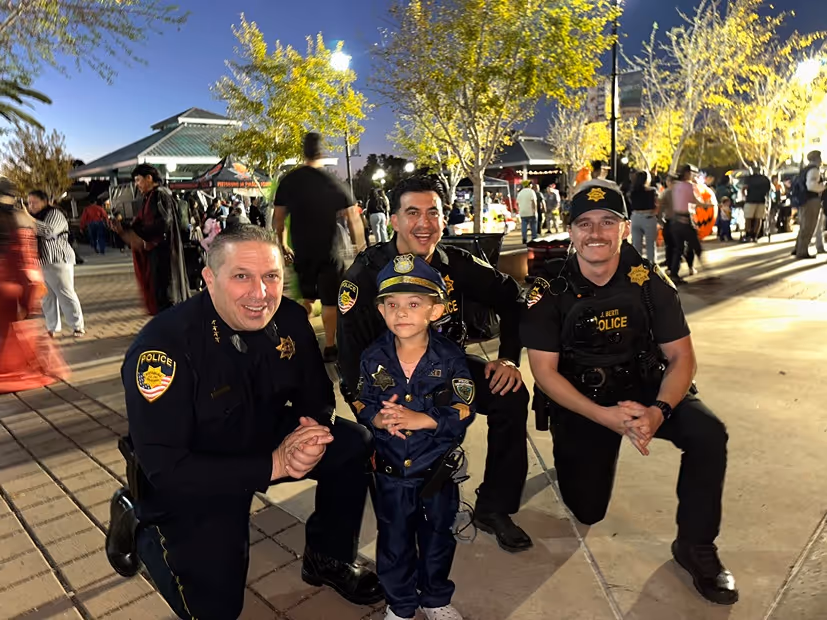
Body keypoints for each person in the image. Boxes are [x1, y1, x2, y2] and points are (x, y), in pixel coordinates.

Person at [104, 225, 382, 619]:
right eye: (241, 277)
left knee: (352, 444)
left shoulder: (288, 318)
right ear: (209, 279)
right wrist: (273, 465)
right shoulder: (163, 348)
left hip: (263, 433)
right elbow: (167, 467)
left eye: (271, 276)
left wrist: (309, 434)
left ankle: (327, 558)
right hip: (195, 468)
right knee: (217, 609)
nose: (260, 293)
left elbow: (316, 395)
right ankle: (139, 520)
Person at [522, 179, 738, 606]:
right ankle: (595, 452)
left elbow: (682, 358)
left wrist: (658, 411)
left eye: (607, 221)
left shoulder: (648, 281)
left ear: (625, 228)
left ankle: (696, 546)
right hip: (582, 402)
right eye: (584, 223)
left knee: (709, 433)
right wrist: (604, 418)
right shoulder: (549, 288)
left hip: (643, 389)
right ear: (571, 231)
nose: (595, 233)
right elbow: (545, 374)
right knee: (588, 511)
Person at [338, 175, 532, 553]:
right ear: (393, 220)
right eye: (412, 213)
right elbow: (350, 356)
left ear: (445, 218)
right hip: (388, 382)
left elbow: (512, 298)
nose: (424, 224)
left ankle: (494, 507)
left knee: (510, 394)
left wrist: (508, 357)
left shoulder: (456, 263)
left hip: (447, 372)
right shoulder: (365, 275)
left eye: (433, 213)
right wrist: (370, 409)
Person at [355, 254, 475, 620]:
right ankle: (401, 603)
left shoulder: (451, 357)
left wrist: (422, 420)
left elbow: (463, 409)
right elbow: (362, 399)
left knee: (439, 538)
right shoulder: (373, 356)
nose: (401, 312)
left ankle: (436, 597)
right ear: (381, 311)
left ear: (435, 311)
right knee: (394, 544)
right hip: (391, 473)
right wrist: (378, 418)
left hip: (436, 472)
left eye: (413, 303)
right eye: (392, 304)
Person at [273, 132, 366, 362]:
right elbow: (353, 218)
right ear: (321, 152)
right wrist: (360, 249)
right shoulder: (331, 181)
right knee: (329, 301)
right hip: (329, 251)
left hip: (302, 251)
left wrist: (282, 244)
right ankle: (330, 346)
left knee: (306, 299)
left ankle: (302, 342)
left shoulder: (289, 180)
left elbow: (278, 219)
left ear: (303, 152)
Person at [0, 178, 68, 392]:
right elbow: (26, 263)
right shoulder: (19, 220)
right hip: (12, 285)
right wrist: (32, 295)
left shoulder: (47, 215)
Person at [113, 164, 189, 315]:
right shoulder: (152, 196)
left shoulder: (160, 195)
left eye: (138, 180)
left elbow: (163, 224)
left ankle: (170, 333)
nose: (137, 185)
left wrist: (138, 232)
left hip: (164, 255)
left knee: (166, 296)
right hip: (159, 253)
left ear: (149, 178)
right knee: (161, 295)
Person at [22, 190, 85, 337]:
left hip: (57, 259)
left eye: (34, 202)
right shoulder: (31, 217)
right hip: (40, 261)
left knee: (65, 293)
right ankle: (52, 327)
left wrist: (26, 217)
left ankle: (77, 325)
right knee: (46, 297)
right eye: (29, 203)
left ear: (44, 202)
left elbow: (48, 231)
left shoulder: (54, 214)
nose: (31, 206)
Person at [669, 165, 703, 283]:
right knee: (695, 245)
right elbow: (694, 201)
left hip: (675, 220)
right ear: (687, 174)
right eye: (692, 173)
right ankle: (704, 269)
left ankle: (674, 273)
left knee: (678, 248)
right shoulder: (689, 186)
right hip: (685, 219)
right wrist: (707, 204)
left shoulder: (675, 185)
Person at [793, 150, 826, 259]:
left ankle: (798, 248)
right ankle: (802, 251)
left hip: (803, 200)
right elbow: (811, 186)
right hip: (811, 200)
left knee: (804, 225)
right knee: (809, 226)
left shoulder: (805, 170)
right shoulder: (814, 171)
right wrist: (823, 186)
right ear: (817, 159)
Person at [628, 170, 659, 262]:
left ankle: (637, 267)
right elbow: (658, 204)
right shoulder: (652, 191)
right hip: (648, 217)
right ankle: (651, 267)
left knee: (636, 245)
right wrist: (654, 213)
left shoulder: (632, 191)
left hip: (635, 217)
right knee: (650, 245)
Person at [741, 170, 771, 242]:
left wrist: (745, 196)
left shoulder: (749, 178)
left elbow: (744, 188)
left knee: (748, 218)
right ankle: (755, 236)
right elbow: (768, 190)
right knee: (759, 219)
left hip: (750, 200)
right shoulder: (765, 179)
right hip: (761, 200)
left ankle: (748, 234)